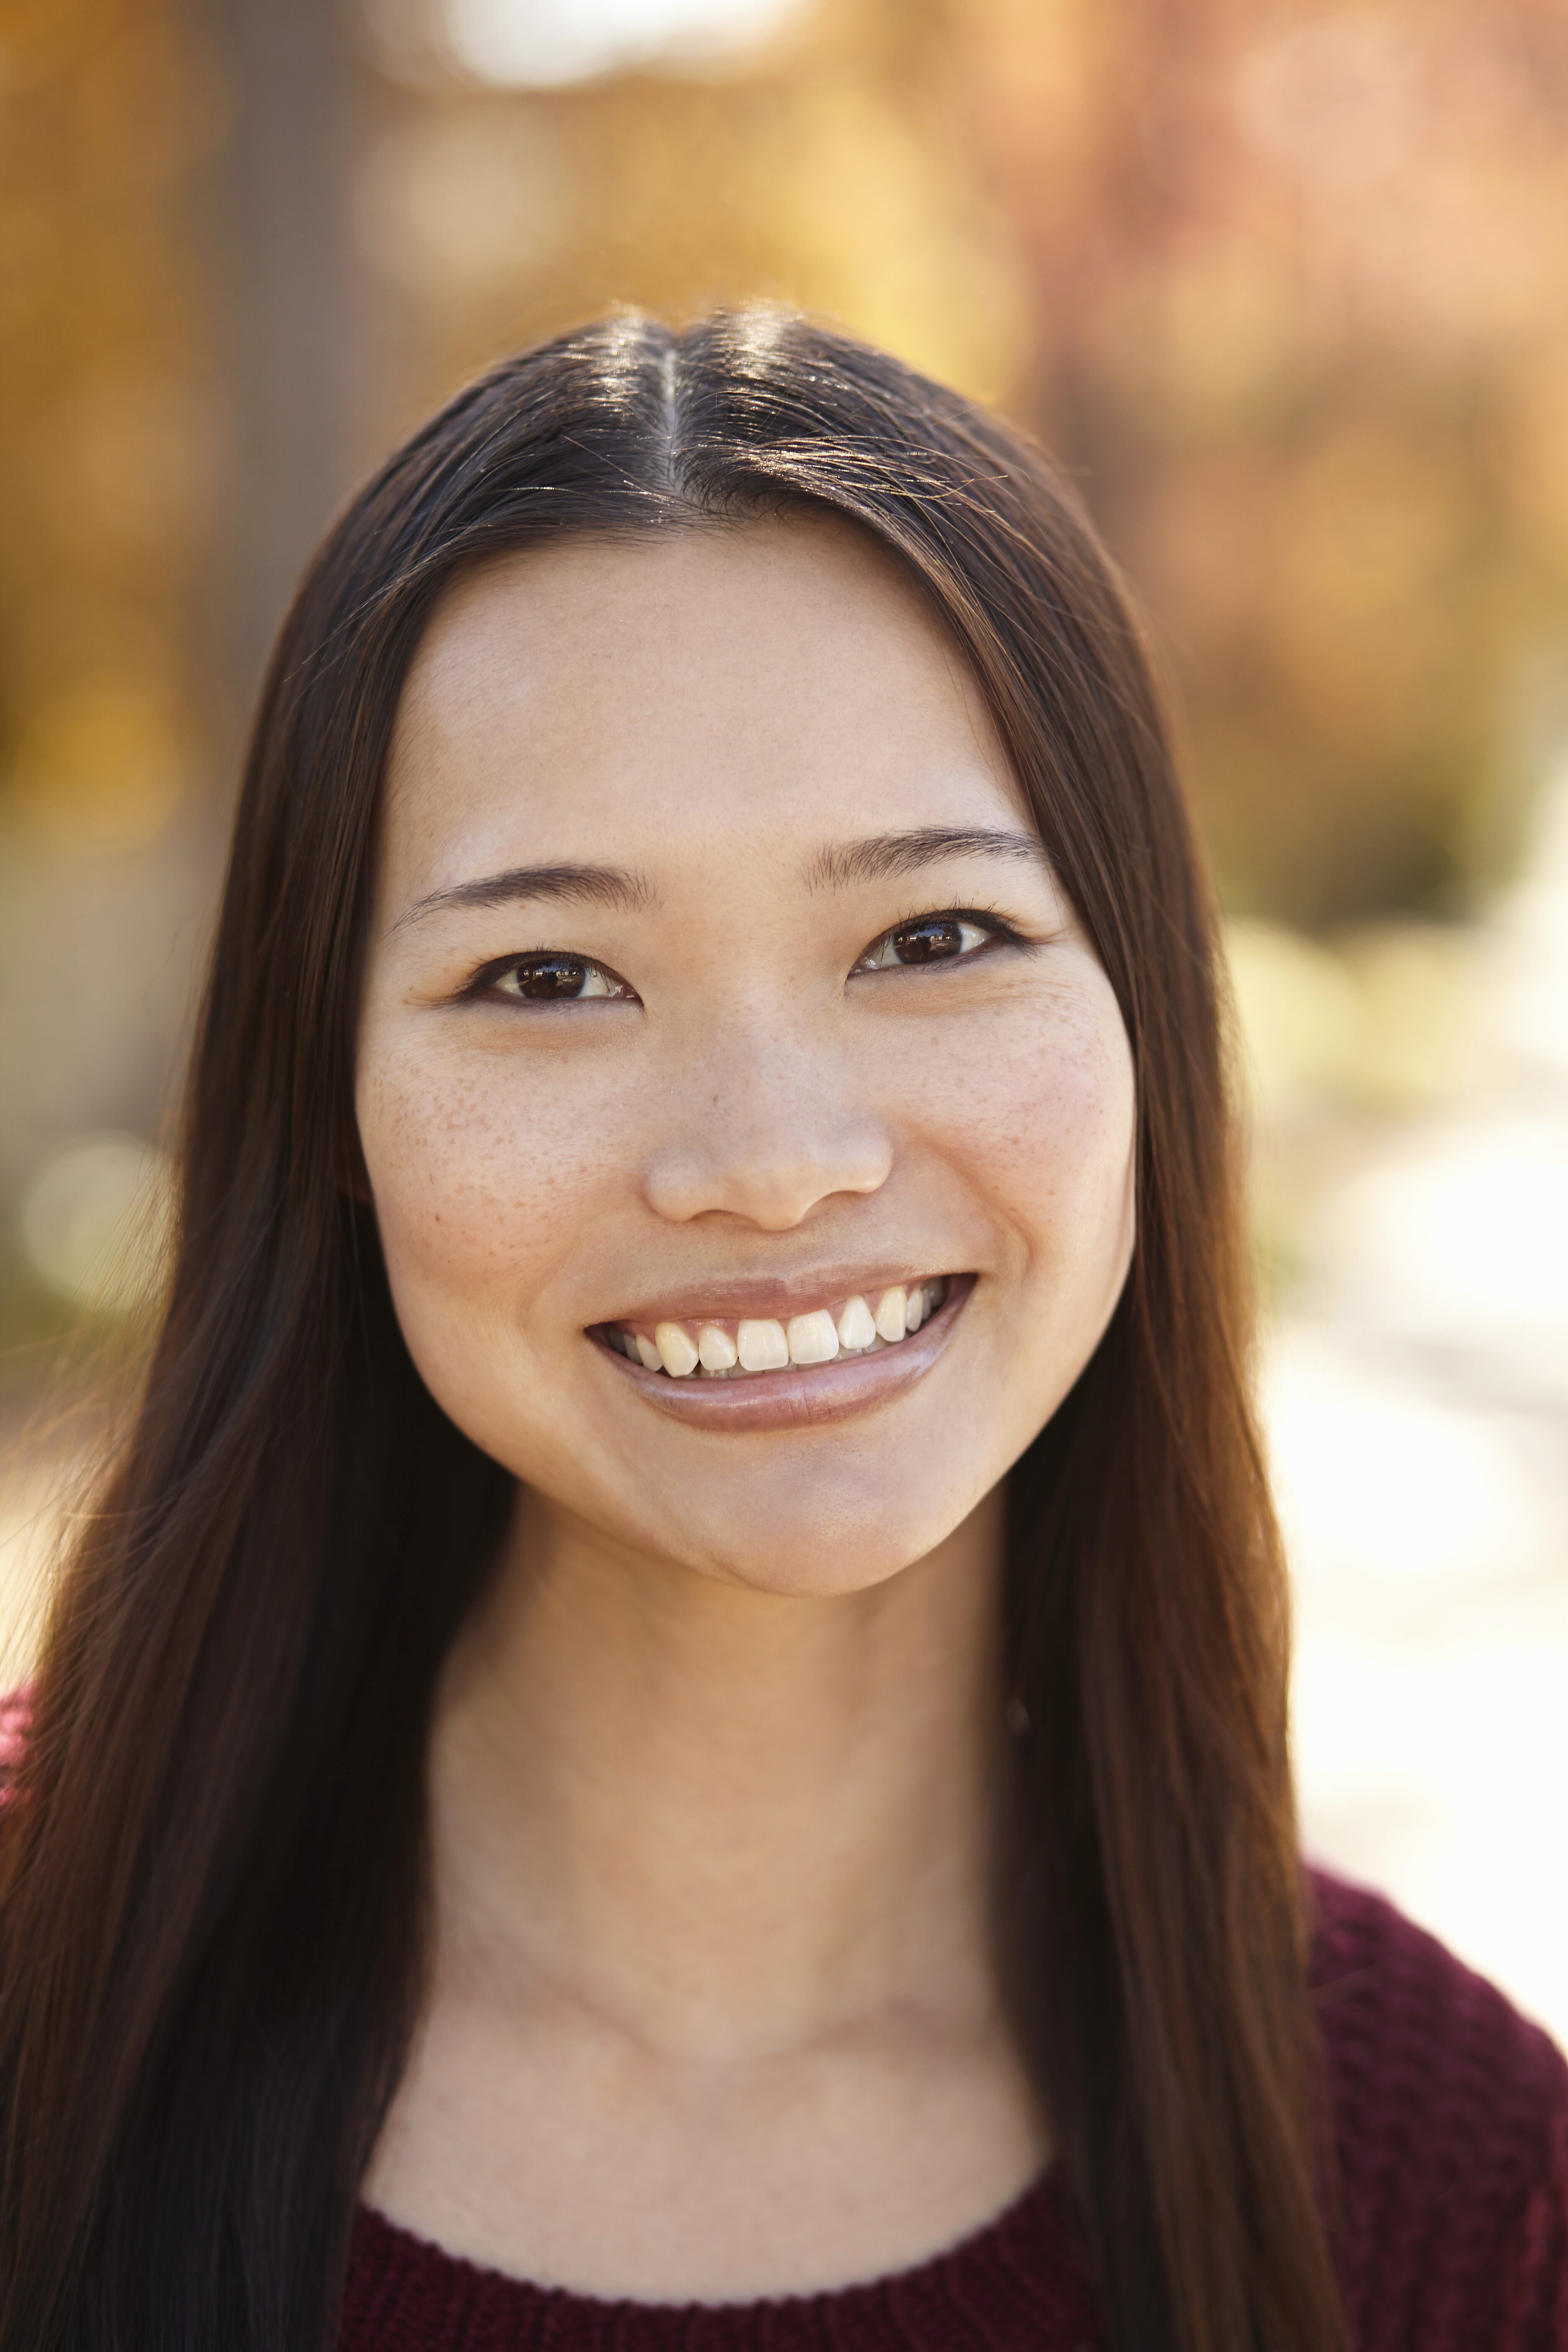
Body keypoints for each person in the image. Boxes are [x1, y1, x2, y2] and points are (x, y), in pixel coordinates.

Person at [0, 311, 1562, 2352]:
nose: (769, 1162)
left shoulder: (1448, 2188)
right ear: (332, 1106)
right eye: (549, 976)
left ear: (1147, 1031)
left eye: (932, 938)